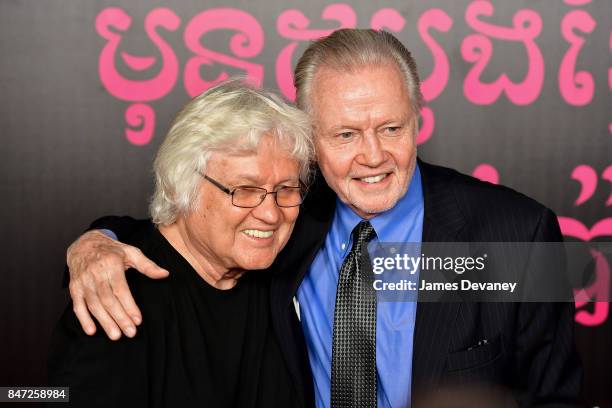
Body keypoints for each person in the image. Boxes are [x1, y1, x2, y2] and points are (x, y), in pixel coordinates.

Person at [63, 29, 582, 407]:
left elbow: (555, 397)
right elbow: (191, 225)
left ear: (419, 120)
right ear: (309, 139)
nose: (373, 156)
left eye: (392, 128)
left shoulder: (516, 233)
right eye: (345, 135)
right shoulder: (284, 217)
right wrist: (98, 240)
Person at [48, 80, 314, 407]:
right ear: (180, 185)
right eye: (245, 190)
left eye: (286, 189)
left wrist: (101, 234)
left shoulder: (282, 262)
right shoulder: (115, 300)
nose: (271, 214)